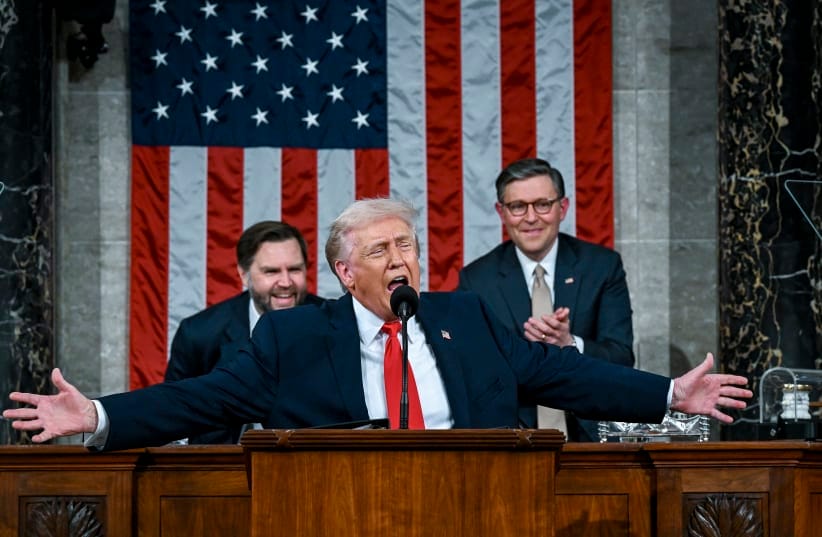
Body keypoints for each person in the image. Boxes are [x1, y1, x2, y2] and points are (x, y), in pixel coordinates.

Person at [3, 199, 751, 452]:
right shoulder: (295, 338)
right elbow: (197, 399)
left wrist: (665, 395)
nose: (402, 259)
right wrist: (98, 413)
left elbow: (563, 374)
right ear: (344, 271)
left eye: (408, 245)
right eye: (382, 249)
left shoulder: (467, 317)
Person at [458, 158, 633, 441]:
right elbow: (470, 371)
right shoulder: (476, 280)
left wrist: (569, 345)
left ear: (562, 208)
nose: (530, 218)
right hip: (511, 438)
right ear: (501, 212)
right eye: (517, 207)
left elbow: (622, 357)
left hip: (591, 437)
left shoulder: (601, 267)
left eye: (542, 204)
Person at [164, 220, 324, 444]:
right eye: (272, 271)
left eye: (295, 269)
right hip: (222, 466)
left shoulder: (333, 323)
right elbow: (173, 413)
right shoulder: (199, 333)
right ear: (243, 274)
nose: (286, 282)